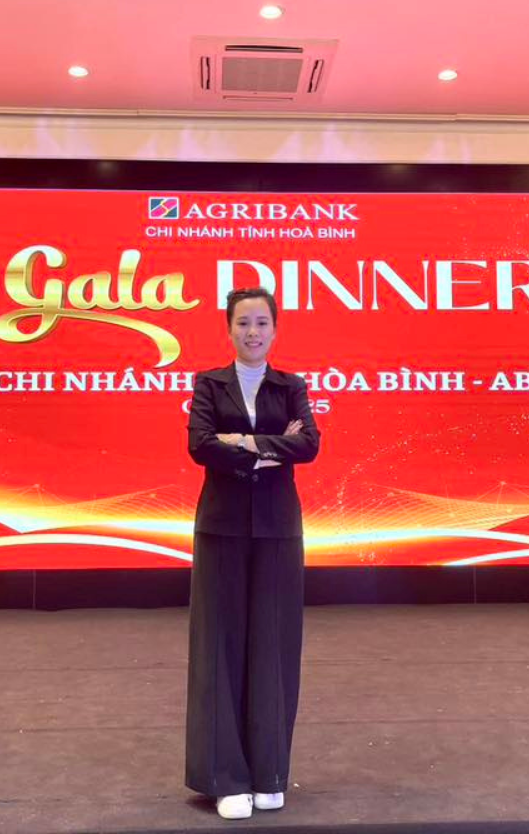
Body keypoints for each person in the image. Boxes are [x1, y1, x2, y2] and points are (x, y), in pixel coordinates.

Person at [184, 286, 321, 820]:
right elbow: (200, 445)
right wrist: (266, 448)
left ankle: (269, 772)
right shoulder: (208, 383)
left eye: (262, 322)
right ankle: (226, 778)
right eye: (243, 322)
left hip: (277, 528)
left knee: (274, 645)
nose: (253, 332)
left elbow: (308, 445)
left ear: (275, 329)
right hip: (221, 527)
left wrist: (240, 443)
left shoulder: (292, 386)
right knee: (220, 647)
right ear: (229, 328)